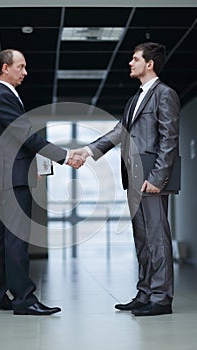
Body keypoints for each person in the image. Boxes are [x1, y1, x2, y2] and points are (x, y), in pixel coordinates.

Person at [70, 42, 180, 316]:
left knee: (157, 238)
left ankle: (161, 298)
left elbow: (169, 139)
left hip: (151, 179)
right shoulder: (136, 99)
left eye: (135, 59)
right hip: (133, 177)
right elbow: (119, 132)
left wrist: (157, 177)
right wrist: (87, 151)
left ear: (150, 64)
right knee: (142, 238)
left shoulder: (164, 95)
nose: (130, 63)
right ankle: (144, 293)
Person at [0, 49, 83, 316]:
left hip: (8, 176)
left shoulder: (0, 96)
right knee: (16, 239)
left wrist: (32, 165)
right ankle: (24, 300)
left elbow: (14, 140)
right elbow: (25, 135)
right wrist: (65, 156)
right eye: (21, 67)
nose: (25, 72)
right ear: (5, 68)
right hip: (12, 180)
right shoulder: (2, 96)